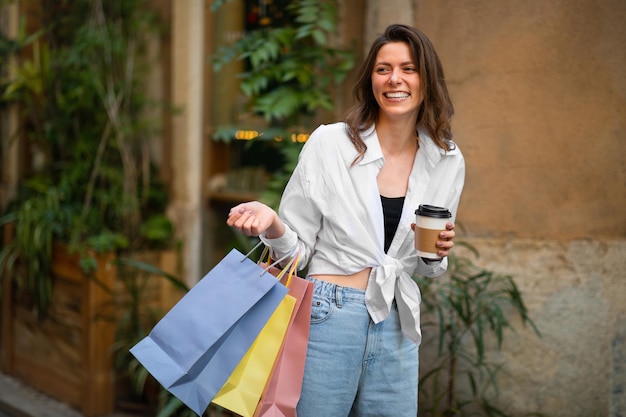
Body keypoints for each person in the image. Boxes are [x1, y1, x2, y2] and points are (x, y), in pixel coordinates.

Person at [227, 24, 465, 417]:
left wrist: (437, 254)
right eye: (383, 68)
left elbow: (427, 265)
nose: (395, 79)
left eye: (408, 68)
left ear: (426, 79)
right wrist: (273, 224)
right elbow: (296, 254)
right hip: (328, 314)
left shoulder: (447, 159)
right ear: (371, 79)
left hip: (396, 319)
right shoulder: (331, 143)